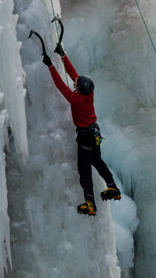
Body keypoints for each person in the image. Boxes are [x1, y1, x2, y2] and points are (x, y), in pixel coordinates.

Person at [42, 43, 121, 216]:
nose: (75, 84)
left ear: (79, 91)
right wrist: (62, 55)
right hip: (95, 133)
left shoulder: (75, 99)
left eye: (76, 85)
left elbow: (61, 85)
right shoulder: (87, 95)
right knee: (97, 161)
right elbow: (73, 75)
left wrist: (50, 66)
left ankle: (90, 203)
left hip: (86, 137)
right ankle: (113, 188)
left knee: (84, 169)